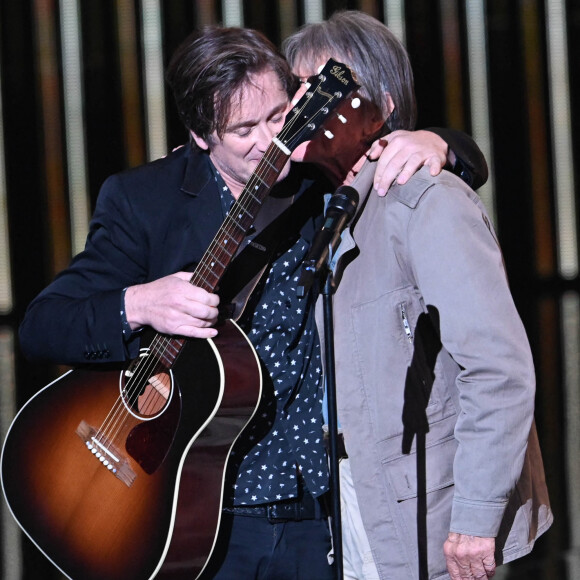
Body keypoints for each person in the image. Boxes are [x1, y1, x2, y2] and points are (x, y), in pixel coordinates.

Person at [18, 23, 488, 579]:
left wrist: (440, 143)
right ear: (201, 134)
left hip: (320, 507)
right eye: (244, 129)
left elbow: (453, 166)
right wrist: (139, 303)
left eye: (278, 114)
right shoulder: (146, 199)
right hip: (196, 509)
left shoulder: (318, 174)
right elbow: (43, 326)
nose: (271, 141)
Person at [283, 10, 553, 580]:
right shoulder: (331, 210)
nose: (300, 109)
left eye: (321, 89)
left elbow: (497, 368)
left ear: (379, 102)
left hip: (433, 516)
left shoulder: (424, 199)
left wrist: (477, 518)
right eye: (297, 90)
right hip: (358, 509)